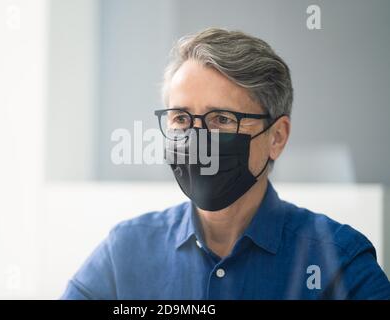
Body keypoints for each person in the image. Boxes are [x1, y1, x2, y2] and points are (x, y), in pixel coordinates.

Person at [61, 28, 390, 299]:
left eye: (221, 118)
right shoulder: (126, 251)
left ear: (276, 137)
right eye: (181, 118)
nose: (197, 138)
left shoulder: (339, 265)